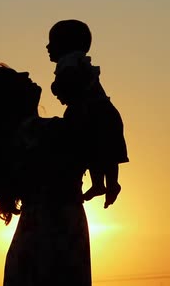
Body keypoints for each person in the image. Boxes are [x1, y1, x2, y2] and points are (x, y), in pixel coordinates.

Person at [0, 63, 91, 286]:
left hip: (44, 241)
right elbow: (92, 131)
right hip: (51, 244)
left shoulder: (31, 135)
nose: (26, 73)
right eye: (15, 77)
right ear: (7, 99)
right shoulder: (38, 135)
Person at [47, 19, 129, 208]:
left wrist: (57, 87)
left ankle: (102, 184)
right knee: (103, 150)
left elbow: (72, 81)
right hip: (101, 109)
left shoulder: (68, 61)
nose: (48, 47)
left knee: (95, 147)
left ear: (65, 44)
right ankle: (108, 183)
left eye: (52, 42)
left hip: (91, 112)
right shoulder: (75, 59)